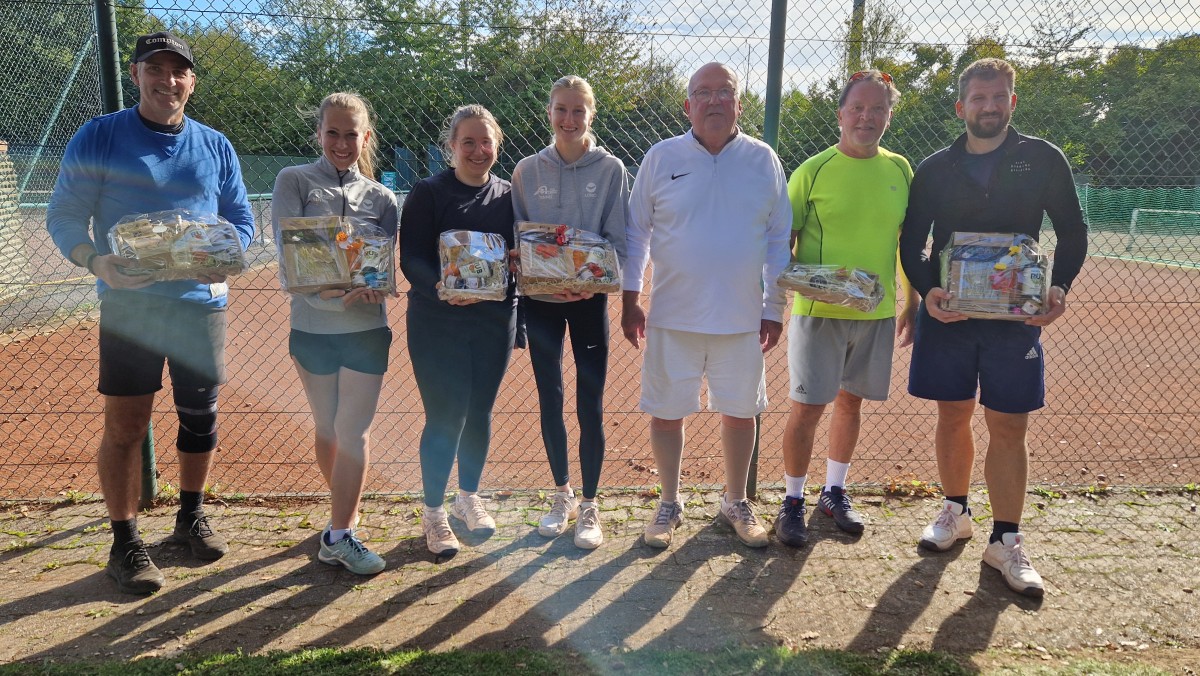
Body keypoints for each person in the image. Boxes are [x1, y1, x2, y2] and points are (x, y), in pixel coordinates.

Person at [45, 32, 255, 594]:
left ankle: (190, 517)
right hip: (130, 307)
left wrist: (228, 256)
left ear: (191, 80)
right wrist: (98, 263)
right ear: (136, 74)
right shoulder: (100, 135)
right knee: (127, 425)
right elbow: (64, 214)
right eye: (156, 69)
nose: (168, 80)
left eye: (179, 71)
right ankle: (124, 541)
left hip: (200, 304)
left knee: (200, 418)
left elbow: (240, 217)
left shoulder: (215, 145)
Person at [899, 58, 1088, 598]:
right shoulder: (934, 168)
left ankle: (1005, 540)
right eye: (978, 99)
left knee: (1009, 425)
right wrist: (927, 291)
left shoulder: (1042, 158)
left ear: (1012, 101)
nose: (988, 106)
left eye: (998, 97)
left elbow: (1072, 231)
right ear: (961, 107)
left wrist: (1061, 287)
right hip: (950, 315)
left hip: (1014, 320)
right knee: (952, 413)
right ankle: (955, 512)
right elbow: (913, 241)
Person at [622, 62, 792, 549]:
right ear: (688, 105)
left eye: (725, 92)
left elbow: (780, 237)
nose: (714, 101)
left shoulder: (763, 160)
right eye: (703, 93)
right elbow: (637, 233)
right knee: (667, 412)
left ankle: (734, 500)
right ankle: (669, 502)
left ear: (740, 103)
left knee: (741, 411)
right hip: (672, 314)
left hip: (741, 318)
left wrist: (774, 307)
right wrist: (631, 300)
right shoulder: (660, 157)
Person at [775, 70, 917, 546]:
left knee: (850, 402)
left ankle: (834, 491)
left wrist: (910, 299)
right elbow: (783, 244)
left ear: (889, 116)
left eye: (878, 109)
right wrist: (821, 285)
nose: (867, 117)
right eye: (858, 107)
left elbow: (906, 242)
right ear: (840, 114)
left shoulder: (900, 169)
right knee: (807, 407)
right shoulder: (813, 170)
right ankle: (792, 499)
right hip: (820, 314)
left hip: (875, 316)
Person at [271, 92, 398, 575]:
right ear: (319, 134)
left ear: (365, 138)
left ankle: (340, 534)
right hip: (312, 327)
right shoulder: (294, 180)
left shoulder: (384, 199)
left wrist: (371, 290)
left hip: (365, 328)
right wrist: (328, 297)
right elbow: (289, 263)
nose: (342, 143)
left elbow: (378, 270)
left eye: (352, 134)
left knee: (353, 431)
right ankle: (342, 511)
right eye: (333, 132)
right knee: (326, 428)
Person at [510, 76, 631, 550]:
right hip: (540, 304)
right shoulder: (526, 171)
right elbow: (519, 242)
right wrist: (535, 275)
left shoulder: (611, 169)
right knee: (549, 396)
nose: (569, 119)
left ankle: (592, 504)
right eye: (561, 109)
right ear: (549, 112)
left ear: (591, 115)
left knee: (591, 401)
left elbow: (619, 240)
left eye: (578, 111)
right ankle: (562, 495)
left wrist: (591, 283)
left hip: (588, 303)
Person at [399, 105, 516, 560]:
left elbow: (516, 257)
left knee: (480, 412)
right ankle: (433, 512)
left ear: (497, 145)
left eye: (485, 141)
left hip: (492, 322)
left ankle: (468, 496)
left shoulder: (508, 195)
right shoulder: (428, 193)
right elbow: (411, 258)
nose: (478, 150)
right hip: (437, 322)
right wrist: (442, 288)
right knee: (444, 418)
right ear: (451, 146)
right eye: (468, 142)